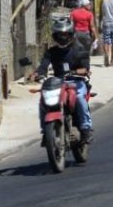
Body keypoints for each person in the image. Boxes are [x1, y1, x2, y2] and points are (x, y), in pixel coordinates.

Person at [35, 14, 93, 142]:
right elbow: (44, 65)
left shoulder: (79, 49)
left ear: (71, 34)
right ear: (55, 36)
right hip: (58, 82)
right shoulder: (51, 51)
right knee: (43, 101)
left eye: (65, 34)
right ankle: (45, 131)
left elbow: (86, 68)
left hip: (76, 81)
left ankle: (85, 129)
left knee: (79, 98)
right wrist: (38, 73)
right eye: (60, 35)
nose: (62, 37)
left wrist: (79, 71)